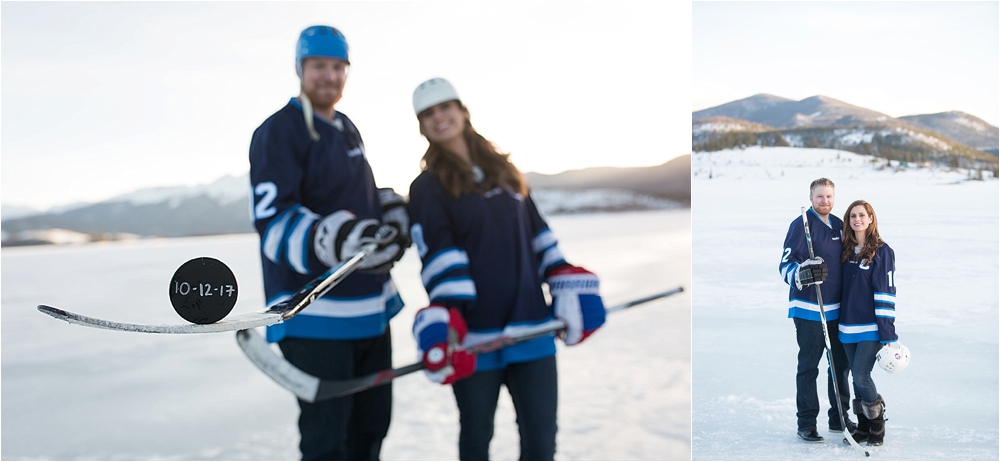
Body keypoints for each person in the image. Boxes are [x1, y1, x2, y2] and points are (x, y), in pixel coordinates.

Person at [406, 77, 607, 460]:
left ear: (462, 111)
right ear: (422, 126)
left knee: (540, 442)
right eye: (428, 113)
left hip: (532, 326)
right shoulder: (427, 186)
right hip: (475, 336)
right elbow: (437, 251)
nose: (439, 117)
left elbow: (537, 233)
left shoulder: (505, 170)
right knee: (476, 437)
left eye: (445, 107)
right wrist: (448, 316)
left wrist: (564, 278)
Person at [248, 25, 409, 460]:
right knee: (328, 443)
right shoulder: (279, 131)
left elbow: (356, 197)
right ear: (301, 69)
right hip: (316, 315)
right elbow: (274, 222)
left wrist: (390, 208)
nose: (330, 76)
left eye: (339, 67)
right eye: (319, 66)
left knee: (371, 431)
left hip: (371, 311)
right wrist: (338, 236)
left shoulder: (346, 127)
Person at [778, 178, 854, 443]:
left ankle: (839, 418)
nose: (825, 202)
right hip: (809, 309)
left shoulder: (838, 225)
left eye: (829, 197)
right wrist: (801, 272)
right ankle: (807, 423)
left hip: (836, 310)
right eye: (820, 197)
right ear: (811, 199)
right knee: (809, 367)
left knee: (839, 367)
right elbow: (784, 265)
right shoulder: (801, 226)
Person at [838, 200, 897, 446]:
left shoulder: (883, 252)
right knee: (855, 378)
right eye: (853, 216)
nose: (857, 219)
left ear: (871, 218)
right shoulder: (845, 250)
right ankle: (862, 427)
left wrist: (887, 333)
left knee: (862, 376)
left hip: (871, 328)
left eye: (862, 215)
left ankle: (877, 424)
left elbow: (885, 293)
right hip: (847, 326)